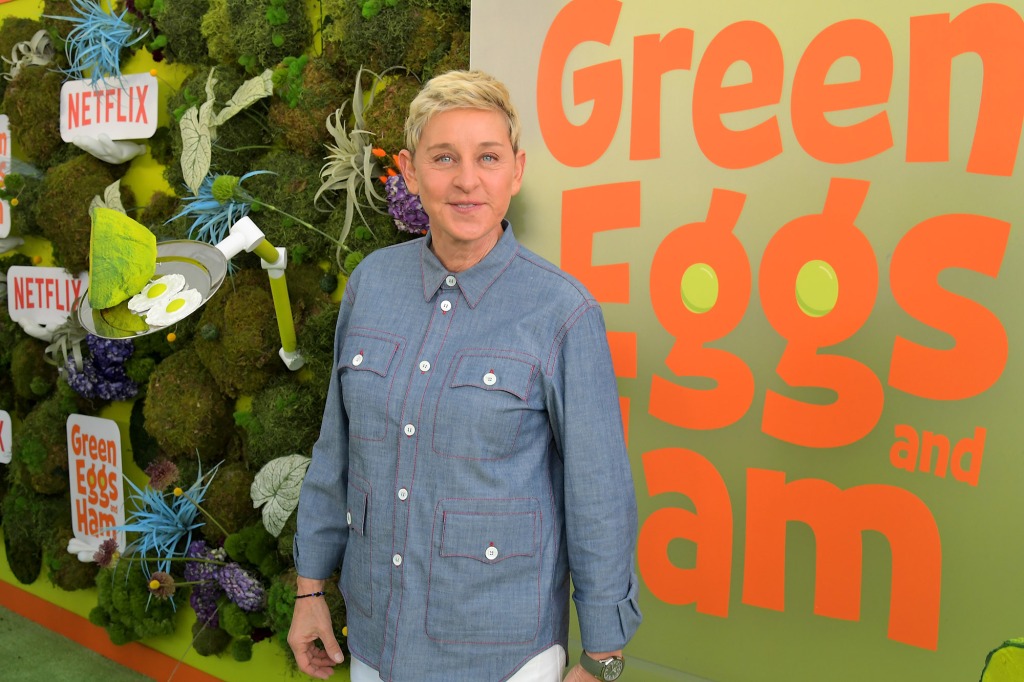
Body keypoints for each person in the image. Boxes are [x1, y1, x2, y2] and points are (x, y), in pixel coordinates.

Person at [288, 69, 641, 682]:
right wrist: (309, 589)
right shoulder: (370, 284)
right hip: (376, 640)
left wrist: (603, 656)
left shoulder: (563, 311)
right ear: (410, 169)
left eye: (488, 157)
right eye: (444, 157)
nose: (467, 180)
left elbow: (599, 493)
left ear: (517, 171)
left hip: (506, 656)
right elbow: (335, 452)